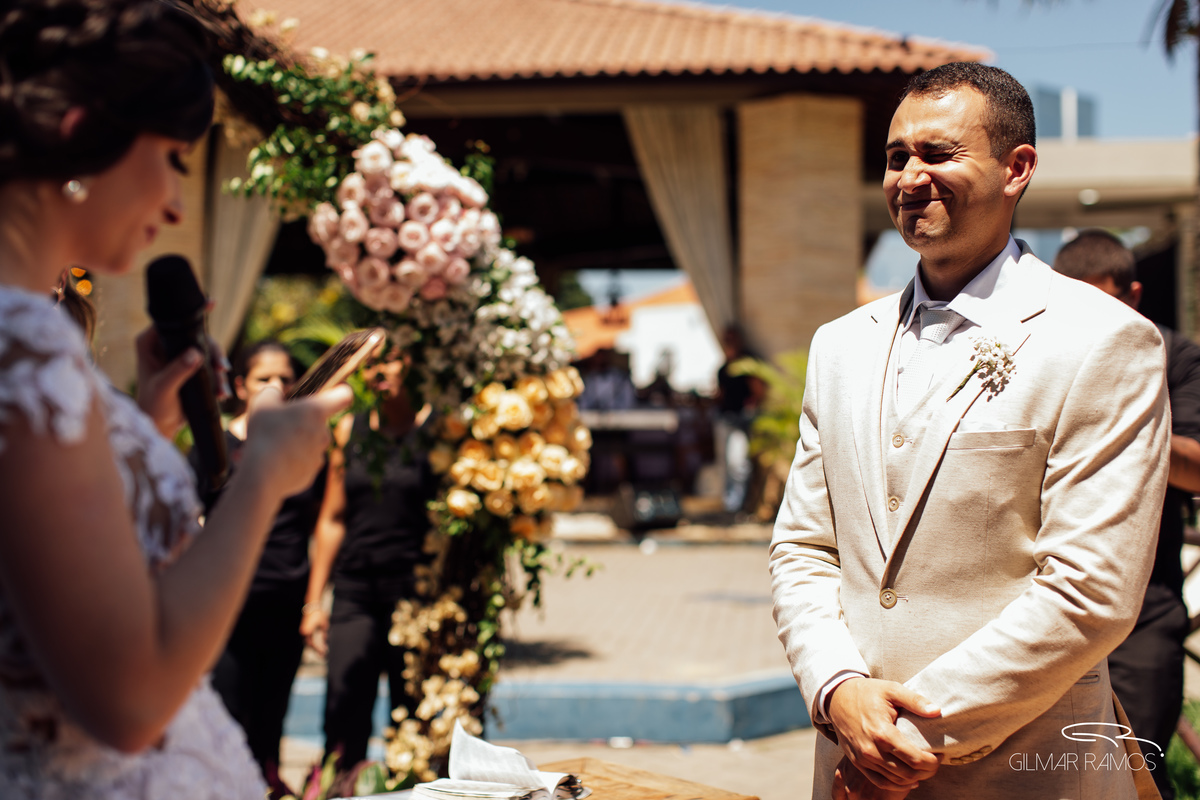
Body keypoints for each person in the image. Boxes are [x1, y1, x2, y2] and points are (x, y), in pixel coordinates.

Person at [768, 62, 1169, 800]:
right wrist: (838, 689)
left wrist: (906, 737)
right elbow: (804, 548)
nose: (910, 177)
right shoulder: (840, 345)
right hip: (850, 763)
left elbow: (1090, 592)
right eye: (896, 158)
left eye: (938, 154)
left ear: (1016, 168)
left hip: (1023, 771)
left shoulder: (1103, 340)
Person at [0, 2, 353, 797]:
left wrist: (144, 422)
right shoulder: (22, 349)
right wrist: (263, 475)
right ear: (82, 134)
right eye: (173, 159)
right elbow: (128, 700)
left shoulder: (27, 344)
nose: (174, 203)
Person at [1053, 229, 1200, 800]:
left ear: (1134, 296)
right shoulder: (1041, 357)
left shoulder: (1178, 357)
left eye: (1105, 305)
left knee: (1136, 771)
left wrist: (1125, 411)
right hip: (1046, 604)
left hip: (1145, 608)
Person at [188, 339, 337, 798]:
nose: (275, 386)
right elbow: (190, 522)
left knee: (271, 724)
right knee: (229, 716)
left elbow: (324, 523)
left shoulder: (308, 448)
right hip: (228, 609)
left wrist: (313, 603)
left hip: (285, 604)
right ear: (239, 386)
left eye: (285, 378)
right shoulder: (214, 448)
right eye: (263, 378)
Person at [300, 352, 437, 771]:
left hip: (418, 597)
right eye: (370, 364)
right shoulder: (349, 430)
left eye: (392, 359)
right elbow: (332, 519)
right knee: (343, 721)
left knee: (417, 725)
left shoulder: (441, 432)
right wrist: (313, 603)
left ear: (415, 362)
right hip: (356, 591)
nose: (378, 371)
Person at [715, 324, 764, 514]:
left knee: (737, 463)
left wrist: (750, 411)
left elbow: (758, 390)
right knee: (726, 464)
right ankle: (729, 504)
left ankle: (737, 504)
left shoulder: (747, 363)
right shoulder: (724, 367)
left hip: (740, 420)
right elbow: (720, 394)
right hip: (724, 419)